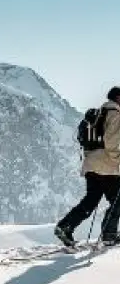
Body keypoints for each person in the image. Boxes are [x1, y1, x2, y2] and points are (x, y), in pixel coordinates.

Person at [55, 87, 120, 248]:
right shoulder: (115, 113)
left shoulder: (98, 114)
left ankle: (65, 226)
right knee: (118, 200)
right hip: (107, 167)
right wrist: (117, 160)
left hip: (91, 164)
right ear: (118, 98)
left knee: (91, 200)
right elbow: (112, 142)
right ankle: (109, 235)